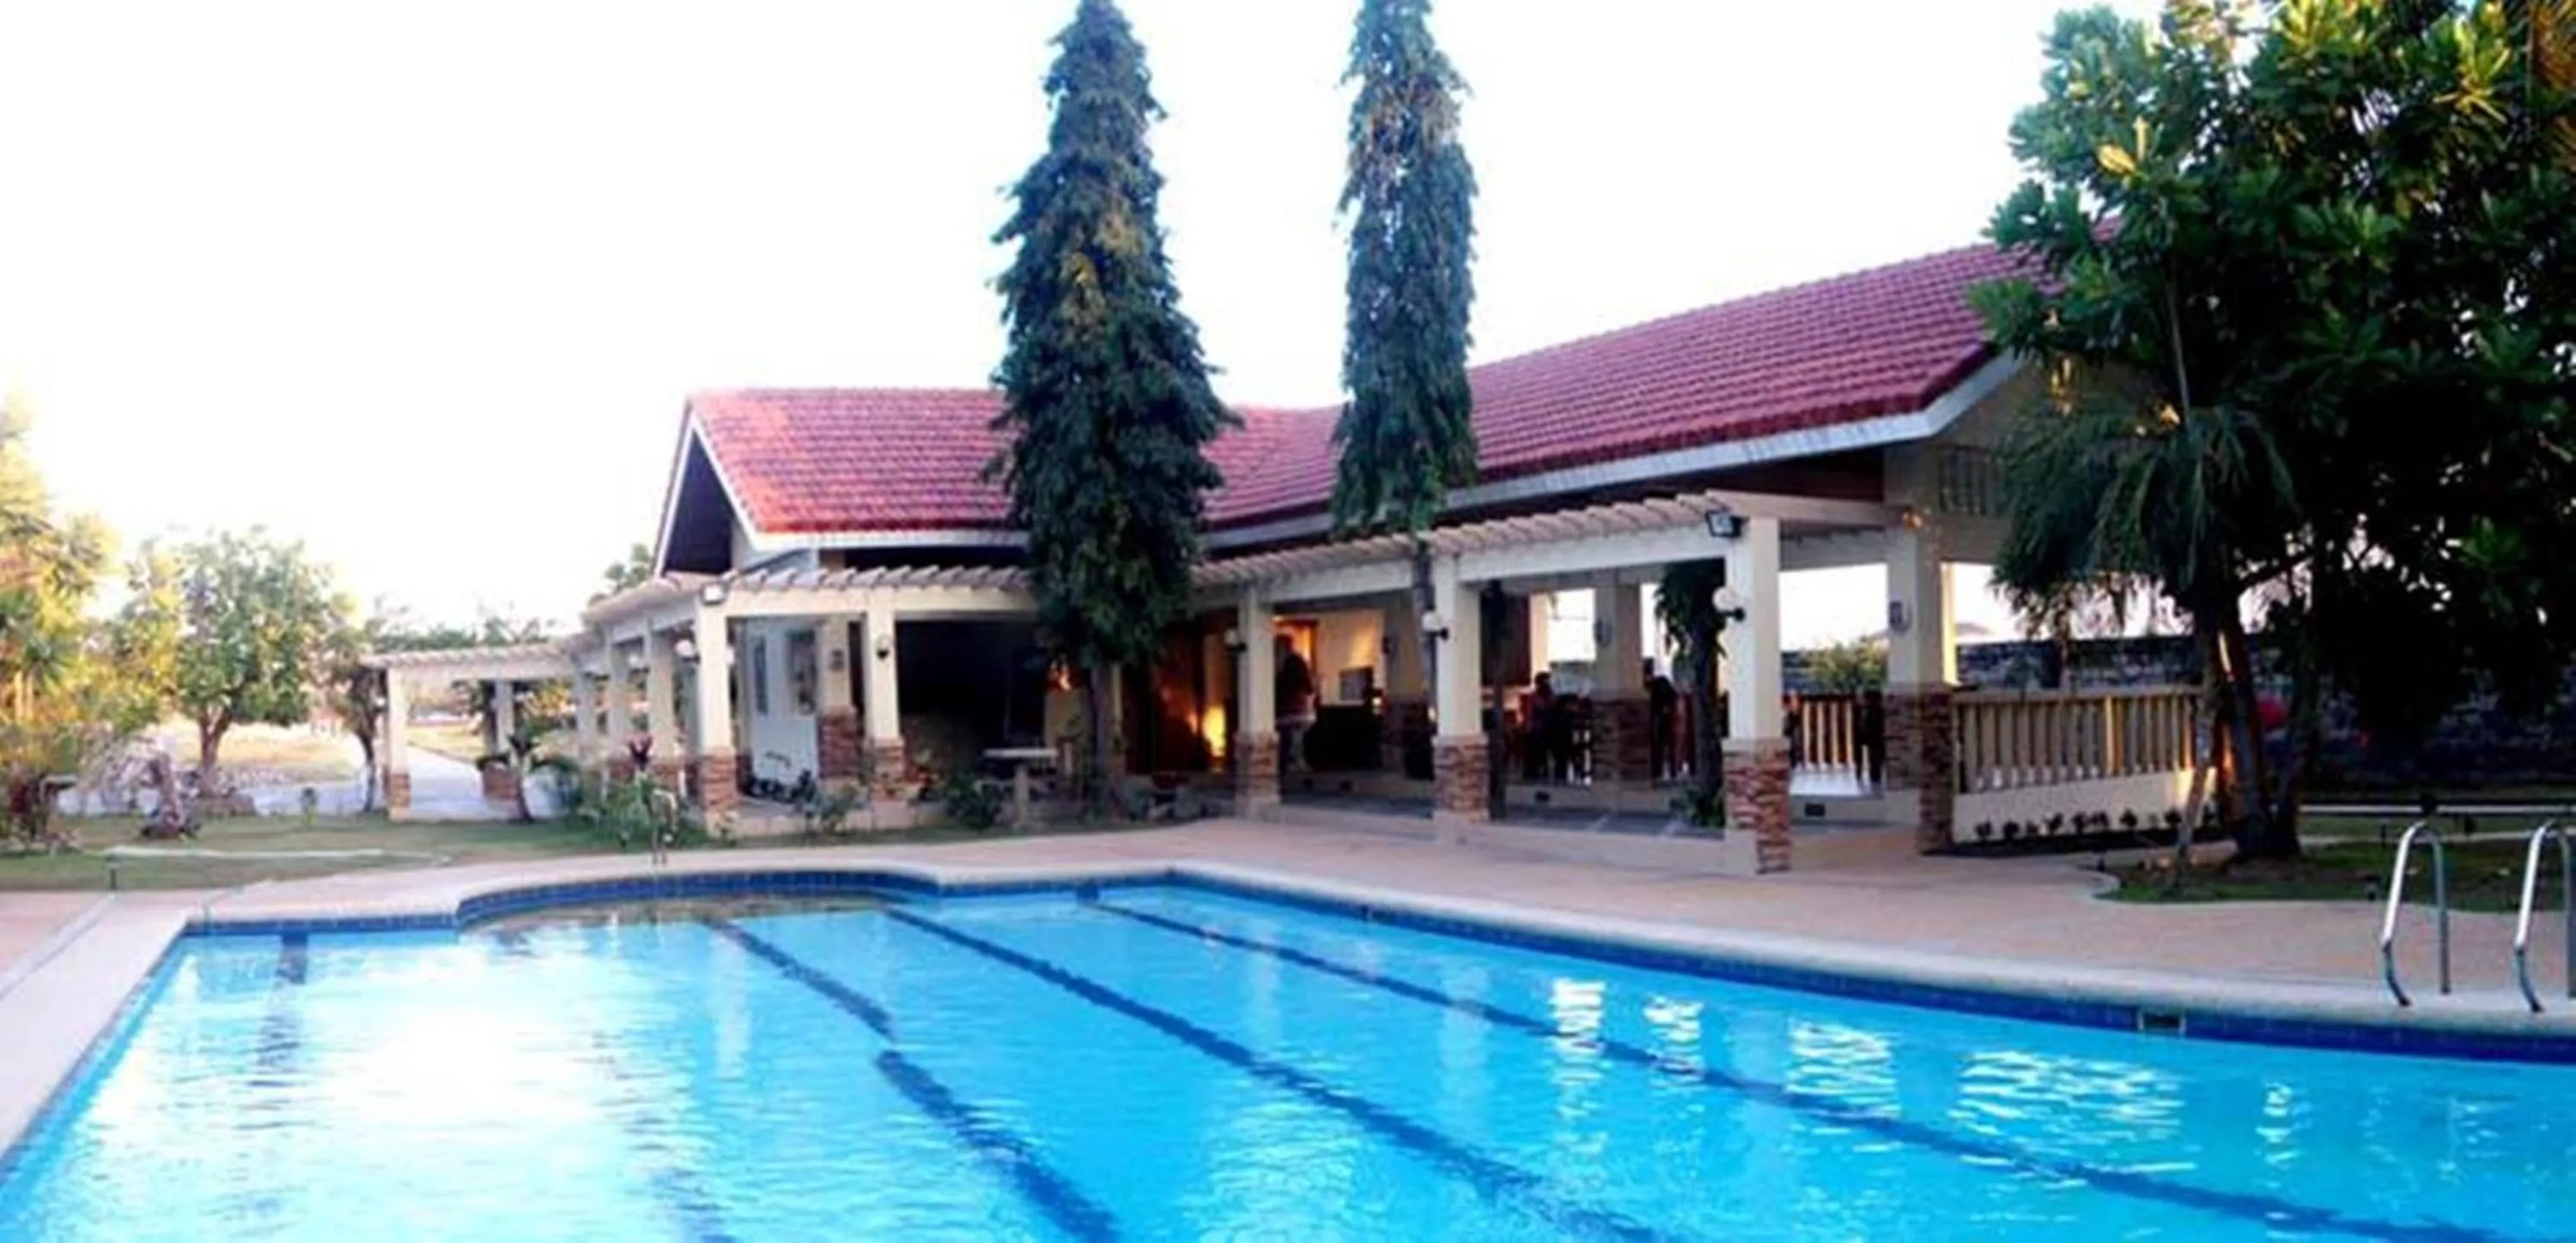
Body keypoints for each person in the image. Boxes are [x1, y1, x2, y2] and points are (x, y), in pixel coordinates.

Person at [1274, 636, 1315, 774]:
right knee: (1295, 738)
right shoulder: (1295, 662)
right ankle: (1296, 763)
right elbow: (1309, 686)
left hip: (1290, 710)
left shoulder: (1286, 664)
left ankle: (1292, 763)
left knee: (1291, 738)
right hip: (1297, 710)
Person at [1647, 670, 1678, 782]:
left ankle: (1657, 771)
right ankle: (1667, 770)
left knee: (1658, 745)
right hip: (1662, 719)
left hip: (1658, 719)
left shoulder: (1657, 686)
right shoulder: (1661, 683)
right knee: (1665, 745)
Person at [1856, 688, 1887, 791]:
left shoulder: (1872, 711)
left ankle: (1875, 776)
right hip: (1873, 737)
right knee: (1876, 755)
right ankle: (1874, 776)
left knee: (1875, 755)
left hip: (1874, 737)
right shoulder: (1872, 711)